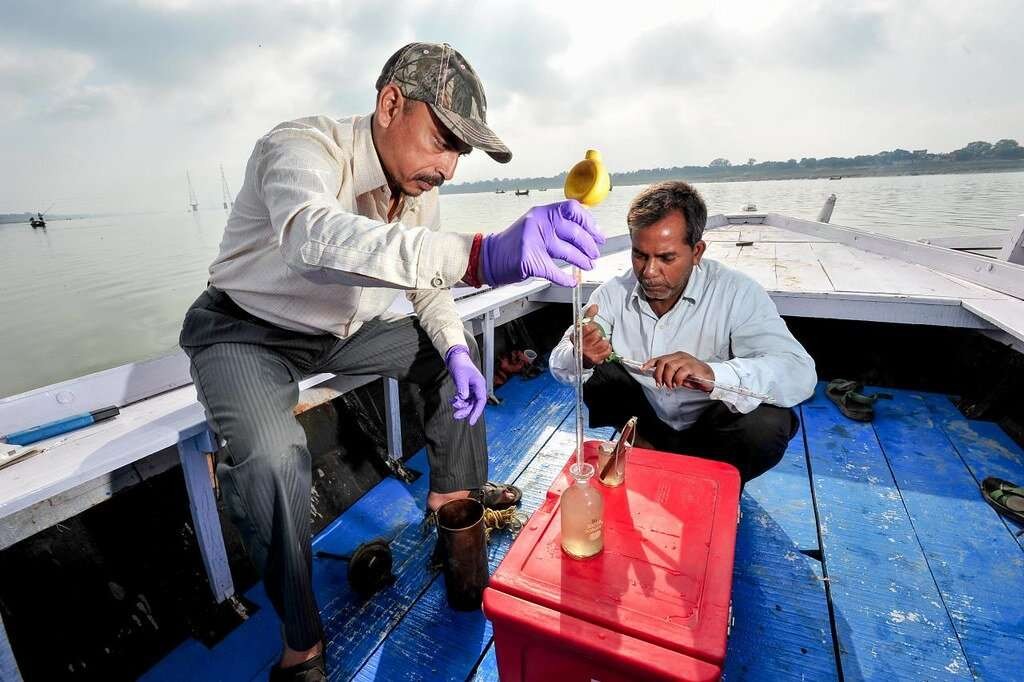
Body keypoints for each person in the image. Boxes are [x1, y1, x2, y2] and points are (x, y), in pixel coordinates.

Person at [179, 42, 604, 681]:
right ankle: (302, 643)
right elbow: (311, 237)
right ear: (389, 104)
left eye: (460, 154)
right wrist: (480, 255)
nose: (450, 170)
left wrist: (459, 349)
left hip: (344, 327)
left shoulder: (416, 184)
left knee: (446, 360)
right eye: (442, 142)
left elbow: (422, 283)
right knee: (271, 461)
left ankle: (450, 509)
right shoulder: (299, 147)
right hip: (246, 329)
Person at [550, 181, 815, 484]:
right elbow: (560, 363)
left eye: (666, 258)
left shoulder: (737, 292)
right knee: (597, 369)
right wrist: (581, 353)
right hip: (646, 418)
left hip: (714, 426)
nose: (649, 272)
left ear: (697, 251)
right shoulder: (611, 294)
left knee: (768, 424)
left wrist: (713, 374)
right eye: (640, 255)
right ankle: (647, 445)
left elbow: (799, 372)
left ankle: (717, 479)